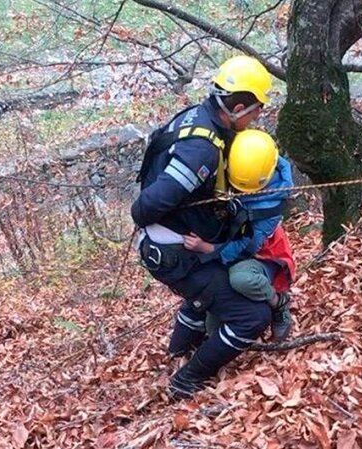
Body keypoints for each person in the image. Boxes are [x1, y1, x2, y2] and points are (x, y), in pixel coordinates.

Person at [131, 55, 276, 400]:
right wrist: (181, 207)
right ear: (238, 106)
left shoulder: (199, 117)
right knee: (251, 316)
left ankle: (178, 350)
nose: (257, 116)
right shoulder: (202, 150)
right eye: (256, 109)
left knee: (212, 291)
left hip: (176, 241)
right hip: (172, 251)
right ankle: (186, 379)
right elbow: (147, 206)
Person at [182, 129, 296, 342]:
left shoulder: (271, 204)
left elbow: (248, 247)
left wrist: (208, 249)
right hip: (228, 241)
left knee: (241, 279)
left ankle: (278, 303)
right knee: (213, 326)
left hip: (262, 256)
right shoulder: (249, 152)